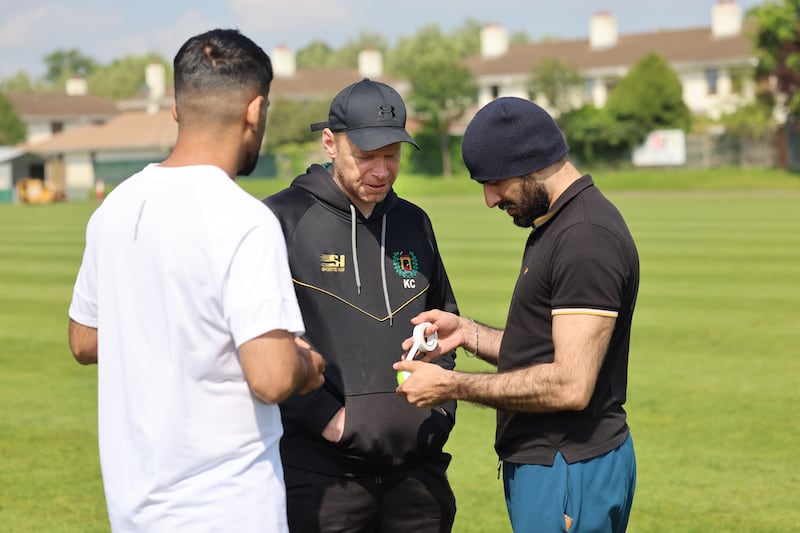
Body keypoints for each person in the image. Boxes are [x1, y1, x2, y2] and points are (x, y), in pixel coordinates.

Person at [67, 28, 325, 532]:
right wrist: (307, 362)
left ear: (176, 108)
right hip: (227, 509)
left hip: (135, 509)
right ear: (255, 111)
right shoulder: (244, 219)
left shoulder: (114, 208)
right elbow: (271, 376)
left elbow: (84, 339)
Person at [394, 97, 639, 533]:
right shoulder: (557, 223)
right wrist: (467, 333)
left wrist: (453, 384)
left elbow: (570, 385)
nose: (489, 200)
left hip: (567, 468)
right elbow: (540, 351)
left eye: (493, 182)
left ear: (531, 163)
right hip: (557, 465)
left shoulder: (585, 237)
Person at [264, 78, 459, 533]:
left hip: (419, 474)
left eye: (391, 155)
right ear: (330, 143)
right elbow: (263, 343)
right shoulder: (279, 220)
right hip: (324, 478)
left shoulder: (415, 222)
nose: (381, 171)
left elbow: (442, 323)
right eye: (366, 156)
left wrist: (439, 413)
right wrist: (330, 421)